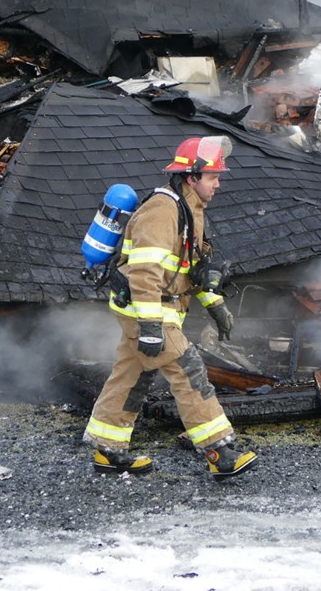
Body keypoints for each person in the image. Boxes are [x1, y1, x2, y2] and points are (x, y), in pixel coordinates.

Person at [82, 135, 258, 479]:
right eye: (214, 177)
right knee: (188, 370)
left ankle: (108, 449)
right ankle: (219, 452)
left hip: (155, 309)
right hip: (146, 309)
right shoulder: (162, 211)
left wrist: (215, 305)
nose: (218, 184)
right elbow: (145, 272)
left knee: (131, 376)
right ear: (192, 177)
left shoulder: (191, 209)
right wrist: (150, 328)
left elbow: (191, 271)